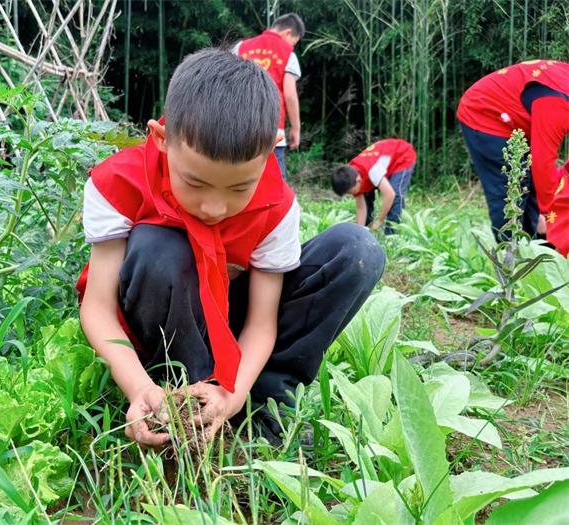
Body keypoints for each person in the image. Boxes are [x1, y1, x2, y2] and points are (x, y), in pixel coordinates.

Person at [77, 49, 385, 447]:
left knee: (356, 250)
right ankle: (178, 392)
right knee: (159, 245)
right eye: (196, 184)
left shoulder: (277, 205)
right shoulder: (118, 182)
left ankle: (264, 399)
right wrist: (136, 387)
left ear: (272, 149)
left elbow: (261, 322)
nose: (215, 208)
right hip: (168, 318)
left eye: (240, 187)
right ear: (162, 139)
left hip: (233, 321)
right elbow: (99, 306)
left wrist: (232, 393)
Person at [457, 59, 569, 247]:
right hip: (485, 114)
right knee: (511, 195)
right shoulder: (557, 102)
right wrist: (549, 215)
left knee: (532, 192)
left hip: (518, 120)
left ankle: (534, 254)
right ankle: (509, 264)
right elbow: (543, 161)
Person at [232, 13, 305, 178]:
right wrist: (296, 128)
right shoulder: (288, 54)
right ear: (287, 33)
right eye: (294, 42)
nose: (292, 47)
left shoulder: (240, 47)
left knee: (238, 182)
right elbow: (290, 94)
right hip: (271, 130)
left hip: (237, 127)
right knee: (275, 184)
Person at [330, 139, 417, 234]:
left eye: (351, 192)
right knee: (365, 197)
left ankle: (392, 234)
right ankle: (366, 233)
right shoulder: (349, 175)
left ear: (358, 181)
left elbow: (390, 195)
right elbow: (361, 208)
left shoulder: (373, 172)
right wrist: (359, 232)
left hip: (401, 155)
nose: (352, 195)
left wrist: (379, 220)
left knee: (396, 195)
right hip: (381, 161)